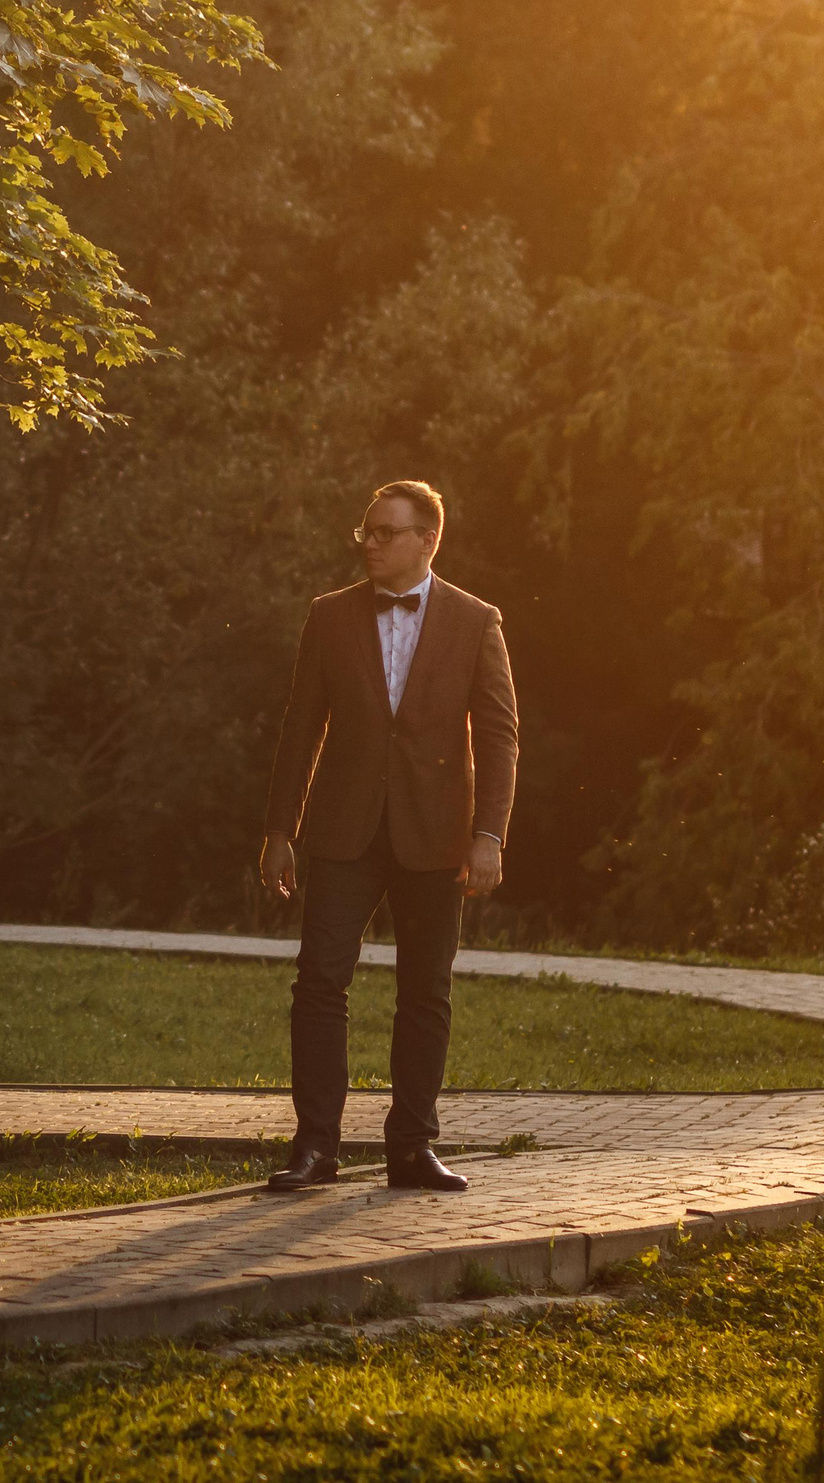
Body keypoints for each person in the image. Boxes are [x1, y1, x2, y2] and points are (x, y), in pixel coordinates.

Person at [257, 481, 520, 1194]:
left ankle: (411, 1146)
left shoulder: (475, 620)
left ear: (428, 539)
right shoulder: (330, 616)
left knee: (426, 990)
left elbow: (499, 735)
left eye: (386, 532)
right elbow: (299, 727)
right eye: (365, 532)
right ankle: (315, 1146)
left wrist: (488, 832)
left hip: (437, 834)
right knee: (319, 982)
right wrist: (281, 829)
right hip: (343, 829)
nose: (369, 543)